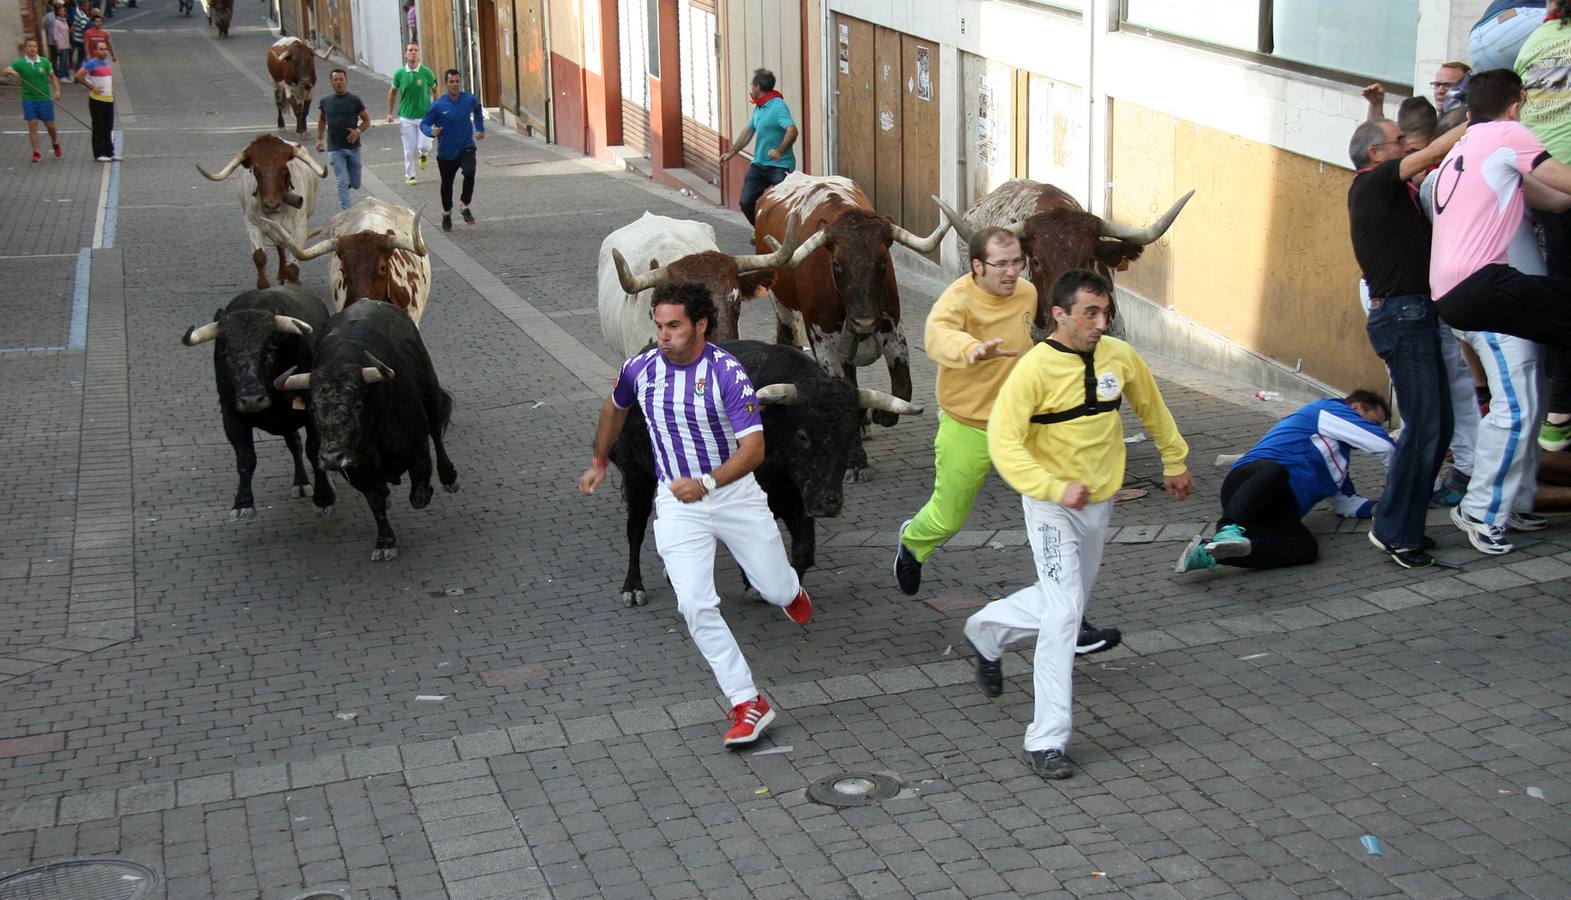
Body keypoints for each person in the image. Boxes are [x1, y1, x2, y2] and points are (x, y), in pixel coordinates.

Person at [966, 269, 1193, 780]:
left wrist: (1174, 460)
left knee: (1062, 601)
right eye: (1090, 313)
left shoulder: (1120, 356)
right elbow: (1004, 444)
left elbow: (1153, 409)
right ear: (1060, 315)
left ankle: (985, 630)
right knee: (1065, 614)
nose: (1101, 323)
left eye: (1106, 312)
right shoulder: (1032, 371)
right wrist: (1051, 488)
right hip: (1050, 506)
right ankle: (1046, 738)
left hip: (1098, 502)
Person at [579, 282, 813, 750]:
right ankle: (747, 701)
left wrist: (706, 482)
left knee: (773, 589)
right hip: (677, 503)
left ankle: (789, 590)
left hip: (735, 496)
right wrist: (600, 461)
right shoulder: (640, 368)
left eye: (674, 326)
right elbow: (613, 408)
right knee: (694, 604)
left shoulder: (728, 374)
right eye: (659, 326)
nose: (663, 336)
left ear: (701, 325)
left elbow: (754, 449)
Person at [892, 226, 1123, 655]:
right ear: (977, 266)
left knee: (1058, 519)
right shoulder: (957, 299)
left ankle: (1071, 620)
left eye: (1018, 262)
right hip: (969, 424)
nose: (1012, 272)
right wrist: (971, 349)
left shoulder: (1028, 294)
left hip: (1023, 425)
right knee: (948, 517)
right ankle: (913, 542)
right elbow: (937, 335)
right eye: (1001, 264)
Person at [1427, 70, 1571, 553]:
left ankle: (1517, 503)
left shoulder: (1467, 147)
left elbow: (1553, 198)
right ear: (1517, 103)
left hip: (1463, 290)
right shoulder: (1509, 133)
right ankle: (1480, 510)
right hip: (1479, 287)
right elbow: (1563, 180)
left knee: (1533, 391)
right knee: (1517, 407)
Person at [1345, 114, 1464, 567]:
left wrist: (1376, 106)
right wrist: (1476, 120)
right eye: (1398, 142)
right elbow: (1429, 153)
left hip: (1415, 313)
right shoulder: (1373, 183)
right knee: (1425, 426)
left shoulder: (1385, 188)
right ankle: (1395, 529)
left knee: (1439, 424)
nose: (1406, 147)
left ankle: (1402, 523)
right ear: (1376, 155)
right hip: (1402, 315)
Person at [1175, 392, 1393, 573]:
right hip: (1248, 484)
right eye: (1374, 423)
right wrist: (1399, 484)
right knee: (1275, 471)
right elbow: (1386, 447)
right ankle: (1226, 528)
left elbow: (1346, 503)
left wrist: (1383, 508)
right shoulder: (1325, 410)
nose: (1376, 429)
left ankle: (1208, 554)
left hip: (1278, 509)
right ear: (1355, 408)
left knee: (1306, 549)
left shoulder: (1340, 464)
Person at [1515, 2, 1571, 451]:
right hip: (1564, 176)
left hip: (1536, 177)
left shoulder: (1536, 40)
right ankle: (1560, 411)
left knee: (1559, 285)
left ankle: (1555, 411)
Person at [719, 68, 797, 226]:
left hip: (780, 166)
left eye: (752, 85)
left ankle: (784, 232)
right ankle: (760, 229)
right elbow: (749, 131)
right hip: (759, 164)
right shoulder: (760, 106)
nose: (751, 89)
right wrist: (731, 153)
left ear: (757, 87)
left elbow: (792, 130)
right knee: (746, 202)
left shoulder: (778, 106)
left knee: (784, 205)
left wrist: (779, 151)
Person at [420, 69, 485, 232]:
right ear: (446, 84)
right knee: (446, 185)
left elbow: (478, 110)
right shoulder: (438, 105)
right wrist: (431, 132)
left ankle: (465, 205)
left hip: (466, 147)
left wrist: (479, 128)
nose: (455, 84)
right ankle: (447, 213)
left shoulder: (469, 99)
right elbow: (424, 123)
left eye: (457, 81)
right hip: (446, 153)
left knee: (470, 171)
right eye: (451, 82)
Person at [316, 67, 371, 211]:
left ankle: (348, 182)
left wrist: (357, 131)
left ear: (346, 81)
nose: (338, 82)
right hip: (335, 148)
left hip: (353, 147)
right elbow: (322, 120)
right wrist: (320, 139)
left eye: (341, 79)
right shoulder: (325, 101)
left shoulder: (354, 100)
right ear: (331, 82)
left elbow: (366, 121)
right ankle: (346, 212)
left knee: (356, 183)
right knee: (341, 181)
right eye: (335, 80)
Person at [2, 38, 63, 162]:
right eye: (29, 46)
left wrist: (57, 91)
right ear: (25, 48)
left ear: (37, 48)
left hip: (44, 98)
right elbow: (3, 72)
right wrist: (10, 72)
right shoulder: (20, 63)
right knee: (32, 123)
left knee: (49, 124)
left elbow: (53, 77)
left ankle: (55, 142)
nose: (32, 48)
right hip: (29, 99)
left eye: (34, 46)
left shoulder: (44, 62)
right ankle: (36, 152)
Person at [387, 42, 437, 185]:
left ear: (419, 54)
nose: (413, 52)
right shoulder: (399, 74)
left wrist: (436, 109)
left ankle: (423, 154)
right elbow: (392, 93)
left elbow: (435, 90)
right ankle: (410, 176)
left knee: (424, 145)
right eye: (410, 50)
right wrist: (390, 113)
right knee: (409, 148)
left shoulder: (427, 72)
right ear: (405, 54)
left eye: (415, 50)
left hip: (425, 117)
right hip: (406, 117)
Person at [75, 40, 117, 161]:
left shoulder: (106, 62)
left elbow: (107, 78)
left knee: (108, 126)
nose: (104, 52)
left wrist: (111, 87)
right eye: (101, 49)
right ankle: (99, 153)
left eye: (105, 49)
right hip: (97, 100)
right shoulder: (92, 63)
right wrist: (92, 87)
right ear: (95, 51)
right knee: (99, 126)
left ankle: (109, 151)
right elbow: (78, 76)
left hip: (108, 99)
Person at [45, 3, 69, 78]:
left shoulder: (63, 20)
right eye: (61, 10)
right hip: (58, 42)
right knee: (60, 59)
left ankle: (59, 73)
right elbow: (55, 34)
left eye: (63, 11)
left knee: (57, 59)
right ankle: (60, 74)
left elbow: (46, 27)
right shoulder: (56, 20)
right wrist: (57, 44)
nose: (63, 12)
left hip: (59, 42)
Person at [68, 0, 89, 71]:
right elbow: (84, 30)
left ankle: (78, 71)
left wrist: (73, 35)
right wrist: (86, 41)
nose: (88, 7)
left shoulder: (78, 14)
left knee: (80, 57)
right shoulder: (83, 17)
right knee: (81, 58)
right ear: (82, 6)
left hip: (76, 38)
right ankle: (78, 72)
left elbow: (73, 26)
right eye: (86, 6)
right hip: (81, 40)